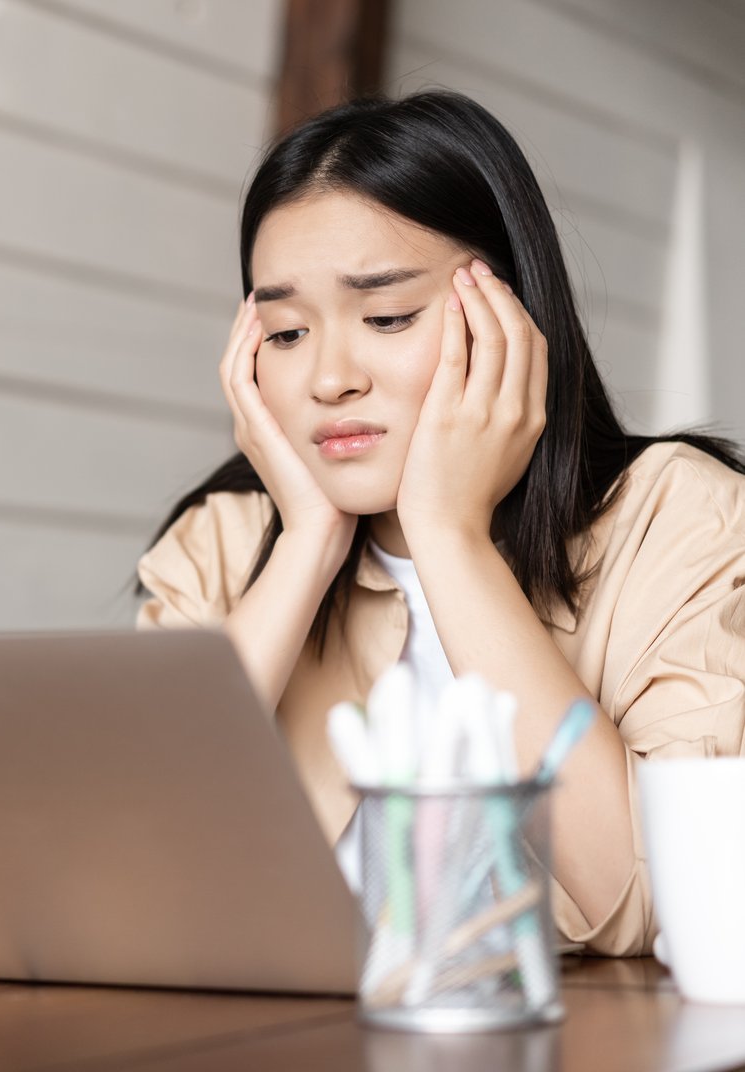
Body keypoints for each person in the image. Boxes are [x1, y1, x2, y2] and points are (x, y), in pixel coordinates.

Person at [135, 91, 745, 956]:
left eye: (387, 317)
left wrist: (450, 536)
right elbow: (120, 874)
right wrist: (305, 546)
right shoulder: (221, 545)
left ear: (510, 316)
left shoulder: (680, 517)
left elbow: (655, 904)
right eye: (285, 330)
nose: (329, 378)